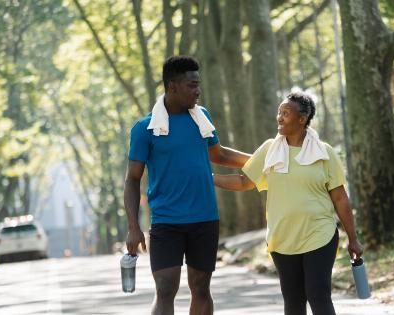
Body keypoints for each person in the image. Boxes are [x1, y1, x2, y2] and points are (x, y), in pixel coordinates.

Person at [213, 91, 364, 315]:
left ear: (302, 119)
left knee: (319, 295)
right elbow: (245, 182)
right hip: (282, 239)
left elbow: (340, 198)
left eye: (286, 113)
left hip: (319, 235)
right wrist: (209, 179)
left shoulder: (324, 153)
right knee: (293, 302)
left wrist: (353, 239)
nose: (279, 118)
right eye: (279, 112)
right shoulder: (269, 149)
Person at [124, 55, 250, 315]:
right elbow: (132, 179)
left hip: (205, 218)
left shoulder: (201, 117)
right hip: (166, 222)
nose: (198, 90)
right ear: (173, 87)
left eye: (198, 84)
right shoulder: (145, 128)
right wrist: (133, 227)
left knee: (201, 289)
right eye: (192, 85)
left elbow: (220, 155)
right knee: (166, 288)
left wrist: (262, 161)